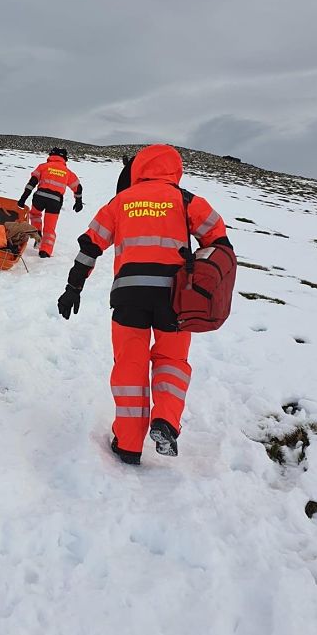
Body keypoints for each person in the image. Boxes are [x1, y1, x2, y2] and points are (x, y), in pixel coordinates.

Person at [57, 144, 233, 465]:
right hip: (176, 300)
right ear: (174, 169)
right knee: (172, 360)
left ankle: (128, 444)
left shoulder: (121, 202)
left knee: (130, 366)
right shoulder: (186, 200)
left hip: (129, 296)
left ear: (138, 168)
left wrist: (73, 287)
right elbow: (219, 242)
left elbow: (90, 245)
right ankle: (165, 420)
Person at [16, 147, 83, 258]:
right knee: (49, 227)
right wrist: (78, 201)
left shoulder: (43, 167)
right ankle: (45, 251)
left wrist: (23, 198)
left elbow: (32, 182)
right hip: (55, 201)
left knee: (35, 215)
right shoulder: (67, 172)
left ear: (51, 155)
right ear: (64, 158)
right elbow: (78, 187)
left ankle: (37, 233)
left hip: (39, 197)